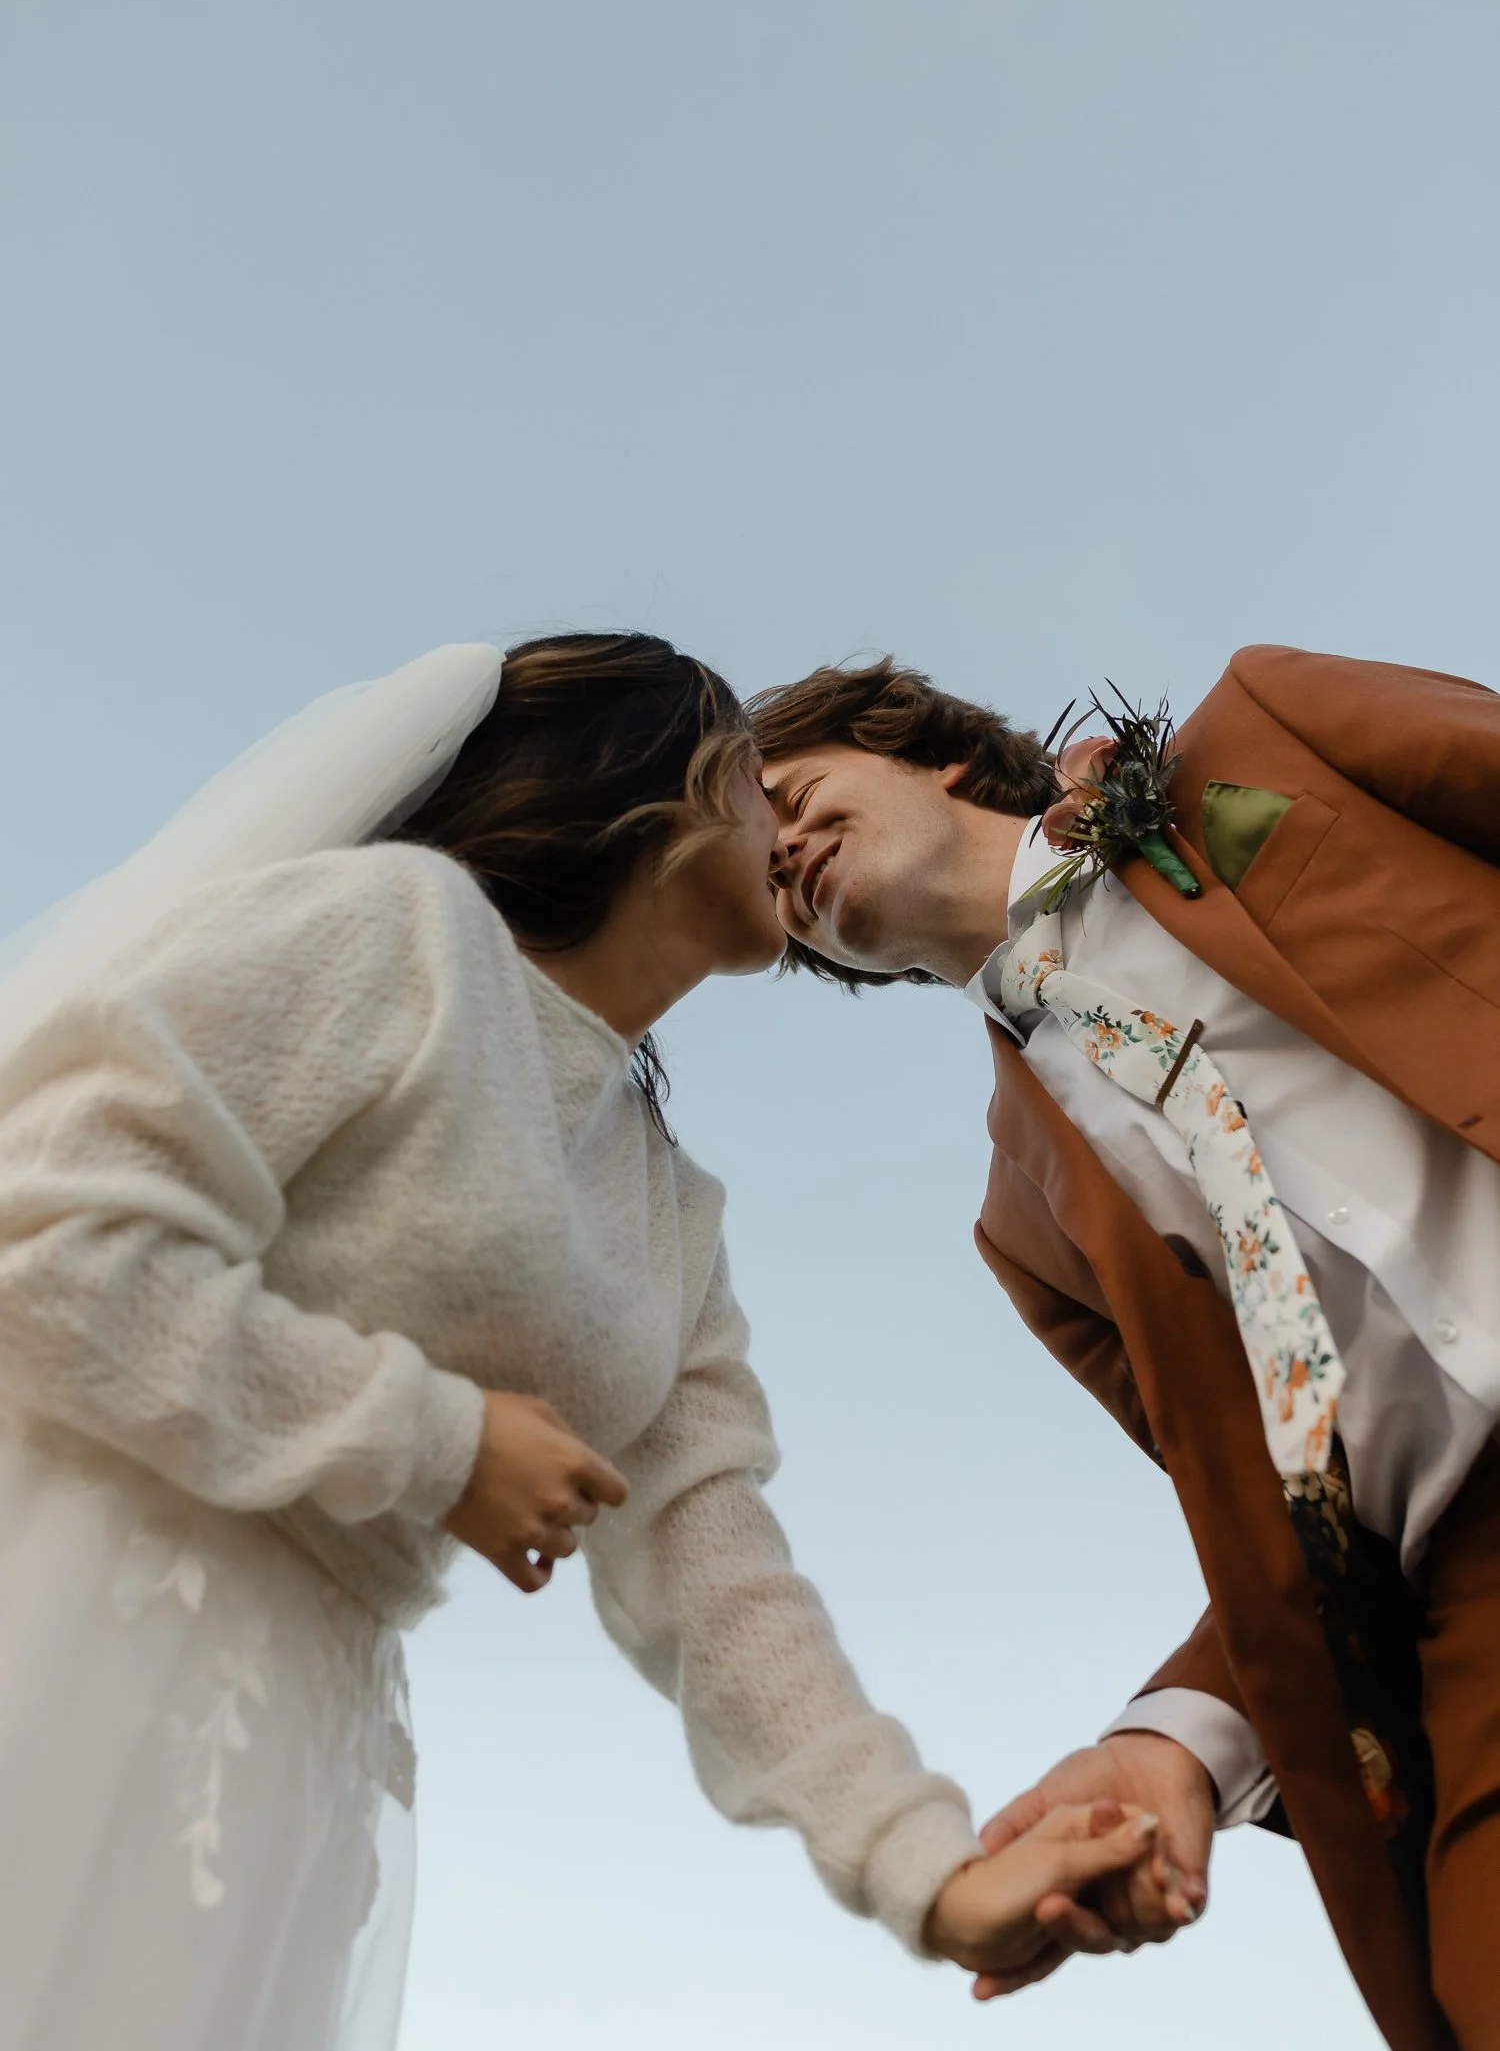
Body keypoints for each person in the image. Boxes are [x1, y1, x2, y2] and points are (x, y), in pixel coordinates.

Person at [0, 631, 1158, 2051]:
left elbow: (717, 1574)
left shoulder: (671, 1206)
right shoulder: (395, 929)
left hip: (299, 1738)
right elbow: (43, 1228)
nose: (780, 815)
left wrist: (939, 1869)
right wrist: (434, 1437)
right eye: (754, 774)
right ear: (653, 784)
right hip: (84, 1619)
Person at [752, 643, 1500, 2051]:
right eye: (752, 872)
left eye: (784, 791)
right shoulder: (1022, 1228)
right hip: (1474, 1592)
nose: (773, 852)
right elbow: (1278, 1531)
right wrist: (1176, 1742)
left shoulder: (1265, 732)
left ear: (930, 750)